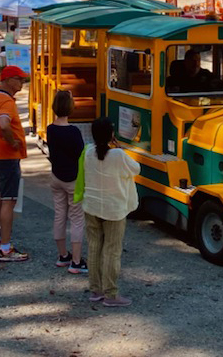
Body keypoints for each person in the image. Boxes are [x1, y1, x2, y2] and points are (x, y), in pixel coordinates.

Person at [83, 116, 140, 307]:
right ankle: (111, 293)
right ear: (111, 134)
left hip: (91, 205)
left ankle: (95, 290)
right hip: (113, 208)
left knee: (94, 247)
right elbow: (136, 169)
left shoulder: (88, 152)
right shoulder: (117, 155)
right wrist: (119, 148)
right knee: (112, 250)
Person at [0, 65, 30, 262]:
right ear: (9, 80)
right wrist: (12, 141)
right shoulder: (6, 102)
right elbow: (4, 123)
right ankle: (5, 247)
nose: (21, 84)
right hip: (6, 155)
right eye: (19, 80)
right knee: (8, 201)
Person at [47, 90, 86, 273]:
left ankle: (63, 255)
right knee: (77, 219)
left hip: (56, 176)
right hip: (73, 179)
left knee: (59, 215)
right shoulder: (73, 132)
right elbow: (81, 154)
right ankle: (76, 261)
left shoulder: (50, 129)